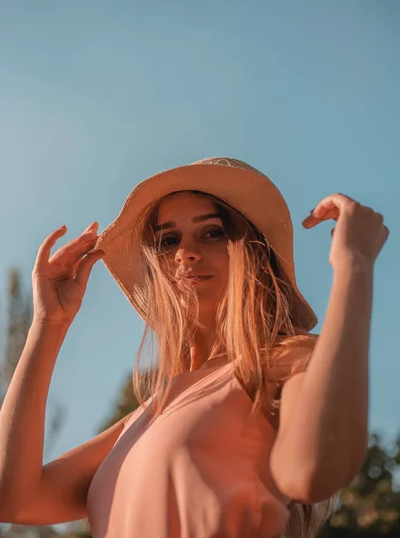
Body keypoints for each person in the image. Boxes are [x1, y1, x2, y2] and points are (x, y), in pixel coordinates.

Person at [0, 157, 388, 538]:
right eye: (169, 240)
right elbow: (13, 499)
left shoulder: (288, 360)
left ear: (253, 254)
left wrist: (354, 265)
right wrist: (48, 324)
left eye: (212, 232)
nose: (184, 251)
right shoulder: (145, 416)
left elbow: (310, 472)